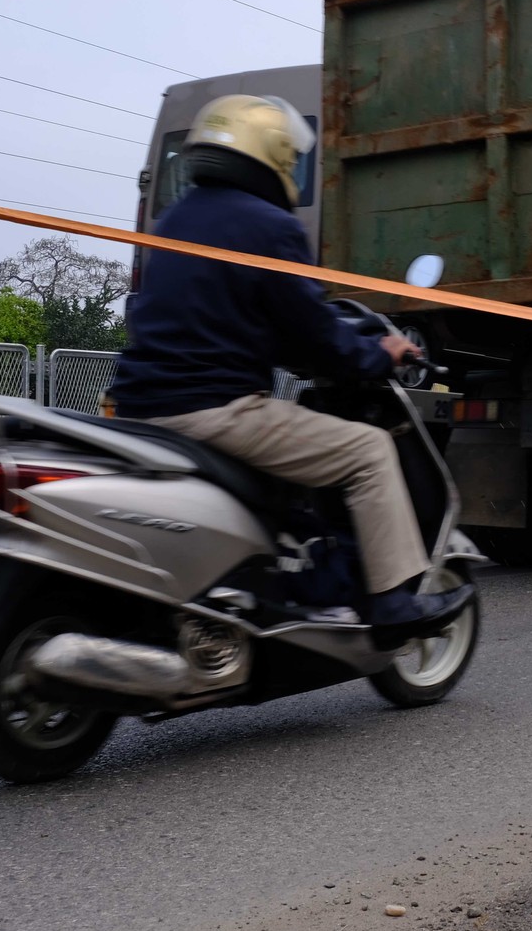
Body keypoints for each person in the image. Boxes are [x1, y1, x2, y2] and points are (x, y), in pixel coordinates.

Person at [108, 94, 440, 624]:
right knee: (369, 449)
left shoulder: (170, 222)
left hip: (140, 406)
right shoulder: (268, 226)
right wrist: (379, 354)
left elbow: (247, 320)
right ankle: (391, 601)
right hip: (216, 410)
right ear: (273, 153)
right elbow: (313, 335)